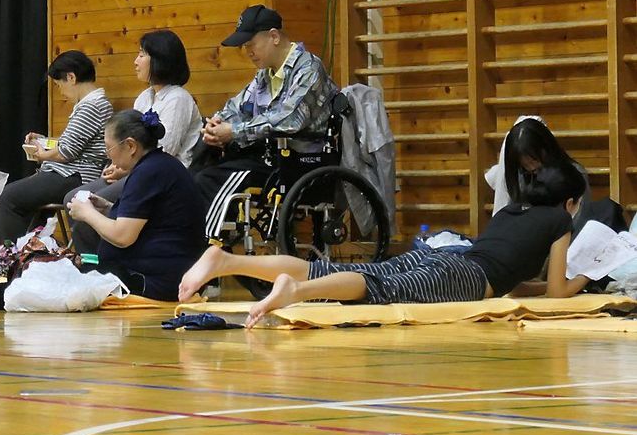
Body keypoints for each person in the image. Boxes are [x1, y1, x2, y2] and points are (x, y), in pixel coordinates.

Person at [179, 164, 590, 328]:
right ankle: (297, 292)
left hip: (447, 258)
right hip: (464, 276)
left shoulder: (512, 212)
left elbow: (516, 284)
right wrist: (585, 279)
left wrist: (533, 287)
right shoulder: (559, 220)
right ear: (570, 203)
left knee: (353, 274)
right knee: (375, 289)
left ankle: (229, 259)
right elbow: (558, 292)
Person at [0, 110, 206, 308]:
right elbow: (149, 220)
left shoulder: (149, 172)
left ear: (130, 146)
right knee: (57, 267)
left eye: (110, 150)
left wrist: (88, 214)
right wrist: (106, 207)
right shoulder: (159, 166)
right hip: (154, 272)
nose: (109, 158)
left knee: (58, 278)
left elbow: (123, 235)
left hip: (151, 280)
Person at [194, 4, 338, 240]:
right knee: (199, 167)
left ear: (273, 36)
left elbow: (290, 119)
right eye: (245, 47)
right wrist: (218, 123)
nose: (248, 51)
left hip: (298, 161)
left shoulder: (309, 69)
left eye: (251, 44)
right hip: (268, 157)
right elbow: (238, 107)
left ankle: (203, 246)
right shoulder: (265, 74)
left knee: (208, 180)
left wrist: (235, 131)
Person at [62, 30, 202, 254]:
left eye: (141, 55)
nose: (135, 61)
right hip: (136, 172)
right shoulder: (144, 97)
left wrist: (125, 170)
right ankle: (93, 259)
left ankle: (104, 263)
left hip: (161, 178)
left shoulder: (178, 98)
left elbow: (165, 149)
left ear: (159, 59)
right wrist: (117, 165)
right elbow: (130, 143)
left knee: (93, 208)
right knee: (73, 198)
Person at [0, 50, 112, 245]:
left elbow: (66, 152)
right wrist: (45, 141)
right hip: (69, 174)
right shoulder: (93, 105)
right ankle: (4, 256)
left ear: (71, 77)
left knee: (6, 198)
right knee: (7, 198)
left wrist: (42, 154)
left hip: (73, 176)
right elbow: (73, 144)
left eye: (59, 85)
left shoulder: (92, 106)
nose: (61, 92)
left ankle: (10, 258)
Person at [486, 117, 593, 232]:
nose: (531, 167)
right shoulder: (519, 176)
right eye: (525, 165)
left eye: (534, 160)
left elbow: (582, 222)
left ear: (547, 148)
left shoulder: (575, 175)